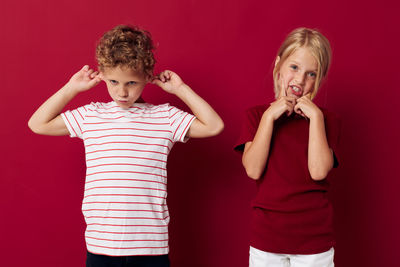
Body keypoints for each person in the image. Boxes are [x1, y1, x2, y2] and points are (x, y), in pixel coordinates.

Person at [28, 25, 224, 267]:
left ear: (147, 76)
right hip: (101, 245)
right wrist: (72, 88)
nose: (121, 92)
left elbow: (214, 126)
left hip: (150, 246)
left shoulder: (165, 117)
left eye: (131, 82)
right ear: (102, 74)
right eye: (113, 81)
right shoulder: (92, 115)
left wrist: (180, 89)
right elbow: (37, 123)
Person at [234, 28, 340, 267]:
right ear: (278, 66)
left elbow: (318, 171)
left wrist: (316, 119)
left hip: (314, 242)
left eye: (311, 74)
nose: (300, 80)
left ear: (320, 78)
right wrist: (270, 116)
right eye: (294, 68)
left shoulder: (327, 120)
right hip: (267, 240)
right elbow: (252, 169)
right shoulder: (257, 116)